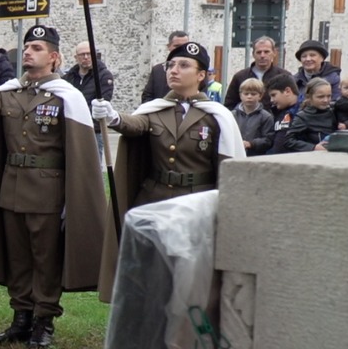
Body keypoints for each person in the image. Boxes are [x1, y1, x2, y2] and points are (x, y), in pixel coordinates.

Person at [0, 25, 108, 349]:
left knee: (45, 260)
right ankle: (21, 316)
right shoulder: (11, 93)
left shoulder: (66, 97)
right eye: (27, 46)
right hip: (12, 189)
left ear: (54, 57)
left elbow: (79, 153)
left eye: (37, 48)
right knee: (18, 259)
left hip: (47, 192)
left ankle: (44, 320)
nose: (28, 52)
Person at [90, 41, 243, 300]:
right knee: (153, 271)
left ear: (201, 75)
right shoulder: (156, 110)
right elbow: (136, 124)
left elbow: (228, 163)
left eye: (183, 65)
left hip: (196, 202)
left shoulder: (216, 116)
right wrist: (114, 117)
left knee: (190, 275)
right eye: (170, 65)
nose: (174, 70)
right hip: (155, 200)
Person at [223, 36, 292, 110]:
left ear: (274, 53)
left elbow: (291, 102)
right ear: (253, 54)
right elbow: (229, 105)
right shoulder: (240, 77)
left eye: (266, 52)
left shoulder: (284, 76)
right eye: (259, 52)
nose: (262, 55)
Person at [282, 78, 336, 152]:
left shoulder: (334, 112)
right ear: (309, 97)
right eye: (320, 97)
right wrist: (313, 147)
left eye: (329, 96)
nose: (325, 100)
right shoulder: (303, 117)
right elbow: (288, 141)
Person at [140, 31, 190, 102]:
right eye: (177, 46)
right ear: (168, 47)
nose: (181, 49)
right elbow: (147, 96)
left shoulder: (196, 70)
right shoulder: (157, 70)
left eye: (184, 46)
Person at [230, 78, 275, 155]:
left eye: (253, 94)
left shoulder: (266, 117)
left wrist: (251, 144)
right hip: (234, 154)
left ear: (260, 96)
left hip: (255, 157)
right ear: (240, 95)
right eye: (246, 94)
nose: (249, 97)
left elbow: (268, 140)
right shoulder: (232, 115)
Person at [265, 74, 301, 154]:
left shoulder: (303, 112)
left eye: (274, 95)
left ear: (287, 91)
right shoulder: (277, 113)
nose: (271, 100)